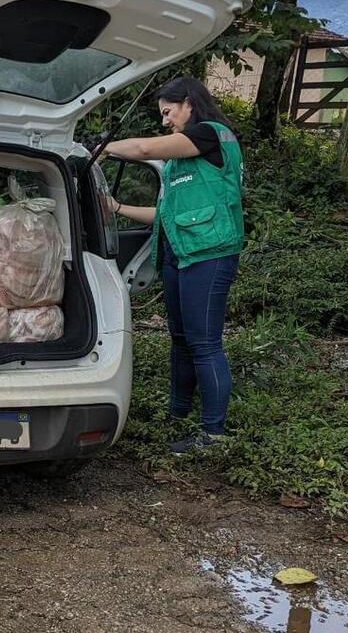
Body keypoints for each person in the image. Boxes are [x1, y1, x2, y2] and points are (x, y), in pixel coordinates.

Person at [102, 76, 244, 454]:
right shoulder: (180, 166)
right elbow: (164, 213)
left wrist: (100, 149)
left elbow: (144, 147)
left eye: (168, 111)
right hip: (180, 255)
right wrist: (116, 209)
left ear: (189, 104)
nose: (166, 120)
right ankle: (177, 417)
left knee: (204, 343)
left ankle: (213, 435)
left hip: (210, 254)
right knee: (180, 341)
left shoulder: (211, 134)